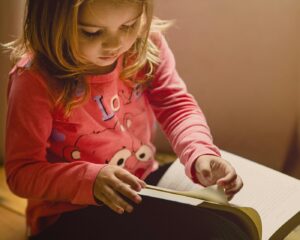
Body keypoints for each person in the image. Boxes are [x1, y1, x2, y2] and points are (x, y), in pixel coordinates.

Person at [4, 0, 243, 239]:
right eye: (92, 32)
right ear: (49, 23)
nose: (115, 44)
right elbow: (22, 173)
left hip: (144, 184)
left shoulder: (145, 45)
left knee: (228, 228)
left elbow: (175, 105)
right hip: (68, 211)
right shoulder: (34, 80)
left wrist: (200, 151)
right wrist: (90, 180)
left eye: (128, 25)